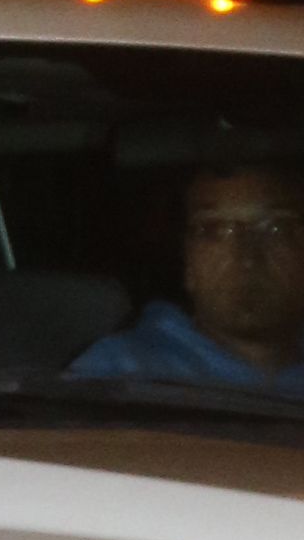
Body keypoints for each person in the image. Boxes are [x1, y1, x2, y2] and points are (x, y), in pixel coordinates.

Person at [68, 161, 304, 397]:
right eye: (213, 230)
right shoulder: (119, 371)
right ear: (189, 265)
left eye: (277, 228)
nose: (247, 258)